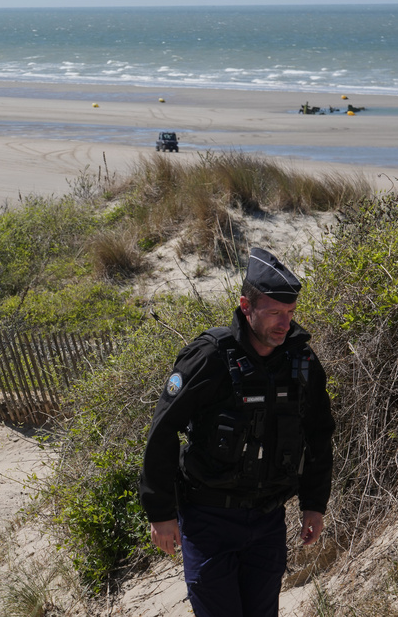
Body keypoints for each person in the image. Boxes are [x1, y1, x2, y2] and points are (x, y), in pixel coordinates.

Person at [139, 247, 335, 617]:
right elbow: (163, 431)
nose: (284, 323)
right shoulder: (210, 356)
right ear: (246, 306)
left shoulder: (302, 362)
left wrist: (314, 504)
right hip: (209, 520)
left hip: (267, 522)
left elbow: (319, 433)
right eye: (275, 312)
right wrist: (160, 512)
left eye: (290, 313)